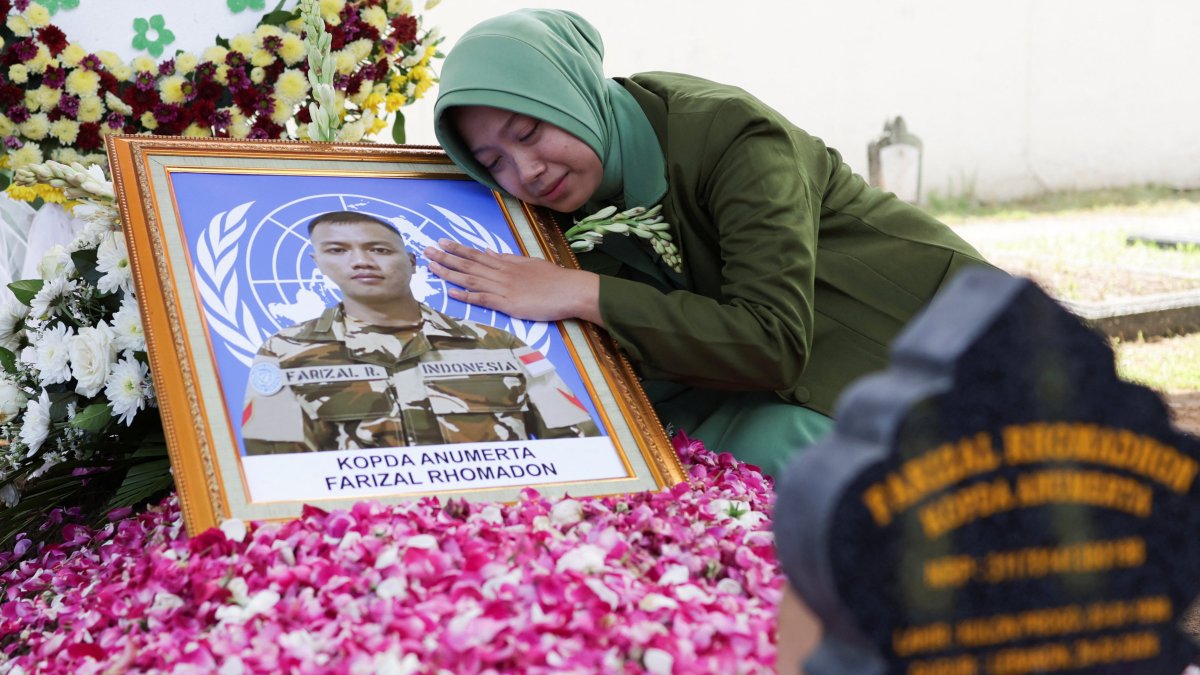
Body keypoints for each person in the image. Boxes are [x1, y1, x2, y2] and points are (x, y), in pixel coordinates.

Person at [424, 9, 995, 478]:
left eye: (529, 132)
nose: (526, 170)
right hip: (768, 385)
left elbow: (771, 342)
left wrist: (582, 292)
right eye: (493, 161)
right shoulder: (540, 215)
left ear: (571, 93)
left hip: (923, 334)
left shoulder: (732, 135)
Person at [241, 210, 599, 455]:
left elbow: (580, 448)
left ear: (412, 263)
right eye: (337, 250)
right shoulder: (284, 353)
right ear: (317, 262)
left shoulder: (499, 345)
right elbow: (277, 469)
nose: (361, 261)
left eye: (379, 250)